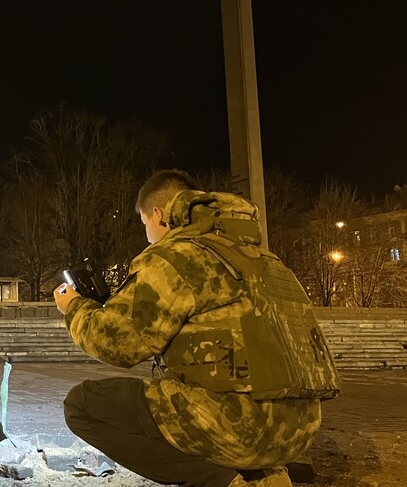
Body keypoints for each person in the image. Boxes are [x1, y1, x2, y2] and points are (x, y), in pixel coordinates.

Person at [54, 169, 340, 487]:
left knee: (82, 406)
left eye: (145, 223)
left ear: (158, 214)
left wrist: (75, 308)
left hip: (239, 430)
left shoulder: (173, 256)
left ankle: (223, 480)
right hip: (298, 434)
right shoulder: (266, 260)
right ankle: (265, 473)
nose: (147, 234)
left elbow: (119, 345)